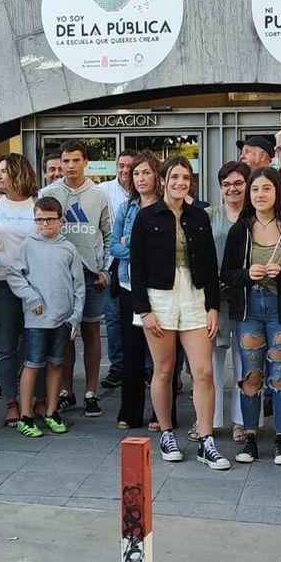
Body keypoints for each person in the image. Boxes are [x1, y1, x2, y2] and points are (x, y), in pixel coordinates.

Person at [131, 157, 229, 470]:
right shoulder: (145, 217)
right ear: (163, 180)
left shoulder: (199, 216)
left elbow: (212, 266)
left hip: (195, 294)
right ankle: (167, 432)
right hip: (158, 298)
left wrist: (213, 305)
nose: (180, 183)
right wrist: (144, 310)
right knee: (164, 369)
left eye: (185, 178)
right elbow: (137, 267)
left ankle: (206, 439)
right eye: (174, 177)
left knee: (203, 371)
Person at [222, 167, 281, 466]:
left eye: (266, 189)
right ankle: (249, 436)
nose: (260, 195)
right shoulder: (240, 229)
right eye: (255, 190)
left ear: (277, 192)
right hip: (248, 310)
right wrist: (247, 274)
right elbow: (227, 274)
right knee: (251, 375)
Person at [39, 140, 112, 418]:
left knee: (91, 332)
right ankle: (66, 391)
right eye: (66, 161)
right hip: (58, 277)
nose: (70, 166)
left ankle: (91, 392)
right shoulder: (48, 193)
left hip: (91, 276)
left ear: (85, 162)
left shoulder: (99, 195)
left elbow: (108, 234)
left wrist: (105, 270)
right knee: (64, 334)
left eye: (75, 160)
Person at [6, 197, 86, 437]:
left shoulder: (68, 248)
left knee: (56, 364)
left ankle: (51, 411)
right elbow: (14, 275)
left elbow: (79, 286)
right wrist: (32, 298)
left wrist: (76, 317)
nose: (44, 225)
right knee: (32, 364)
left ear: (60, 220)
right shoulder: (28, 245)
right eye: (39, 220)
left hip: (62, 318)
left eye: (49, 219)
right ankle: (26, 414)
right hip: (36, 318)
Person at [0, 153, 40, 427]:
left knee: (34, 342)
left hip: (35, 284)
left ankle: (33, 399)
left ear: (19, 173)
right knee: (5, 344)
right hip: (1, 283)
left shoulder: (37, 204)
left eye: (3, 171)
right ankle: (11, 401)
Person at [110, 151, 163, 429]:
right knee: (131, 352)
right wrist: (138, 250)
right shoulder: (126, 208)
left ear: (157, 176)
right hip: (129, 286)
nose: (140, 178)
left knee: (159, 356)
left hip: (160, 289)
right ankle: (129, 412)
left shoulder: (167, 207)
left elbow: (164, 251)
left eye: (146, 172)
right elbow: (113, 247)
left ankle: (160, 413)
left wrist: (132, 247)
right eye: (136, 174)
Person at [208, 161, 251, 443]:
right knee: (209, 363)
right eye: (226, 184)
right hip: (214, 299)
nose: (232, 189)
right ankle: (207, 420)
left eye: (238, 183)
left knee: (245, 361)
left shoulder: (256, 216)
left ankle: (242, 421)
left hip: (247, 298)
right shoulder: (209, 215)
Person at [99, 149, 137, 389]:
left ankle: (143, 367)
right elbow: (113, 244)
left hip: (140, 269)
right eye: (121, 165)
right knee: (113, 319)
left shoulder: (147, 195)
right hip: (112, 265)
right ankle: (117, 366)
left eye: (130, 167)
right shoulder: (103, 190)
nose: (125, 171)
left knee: (139, 320)